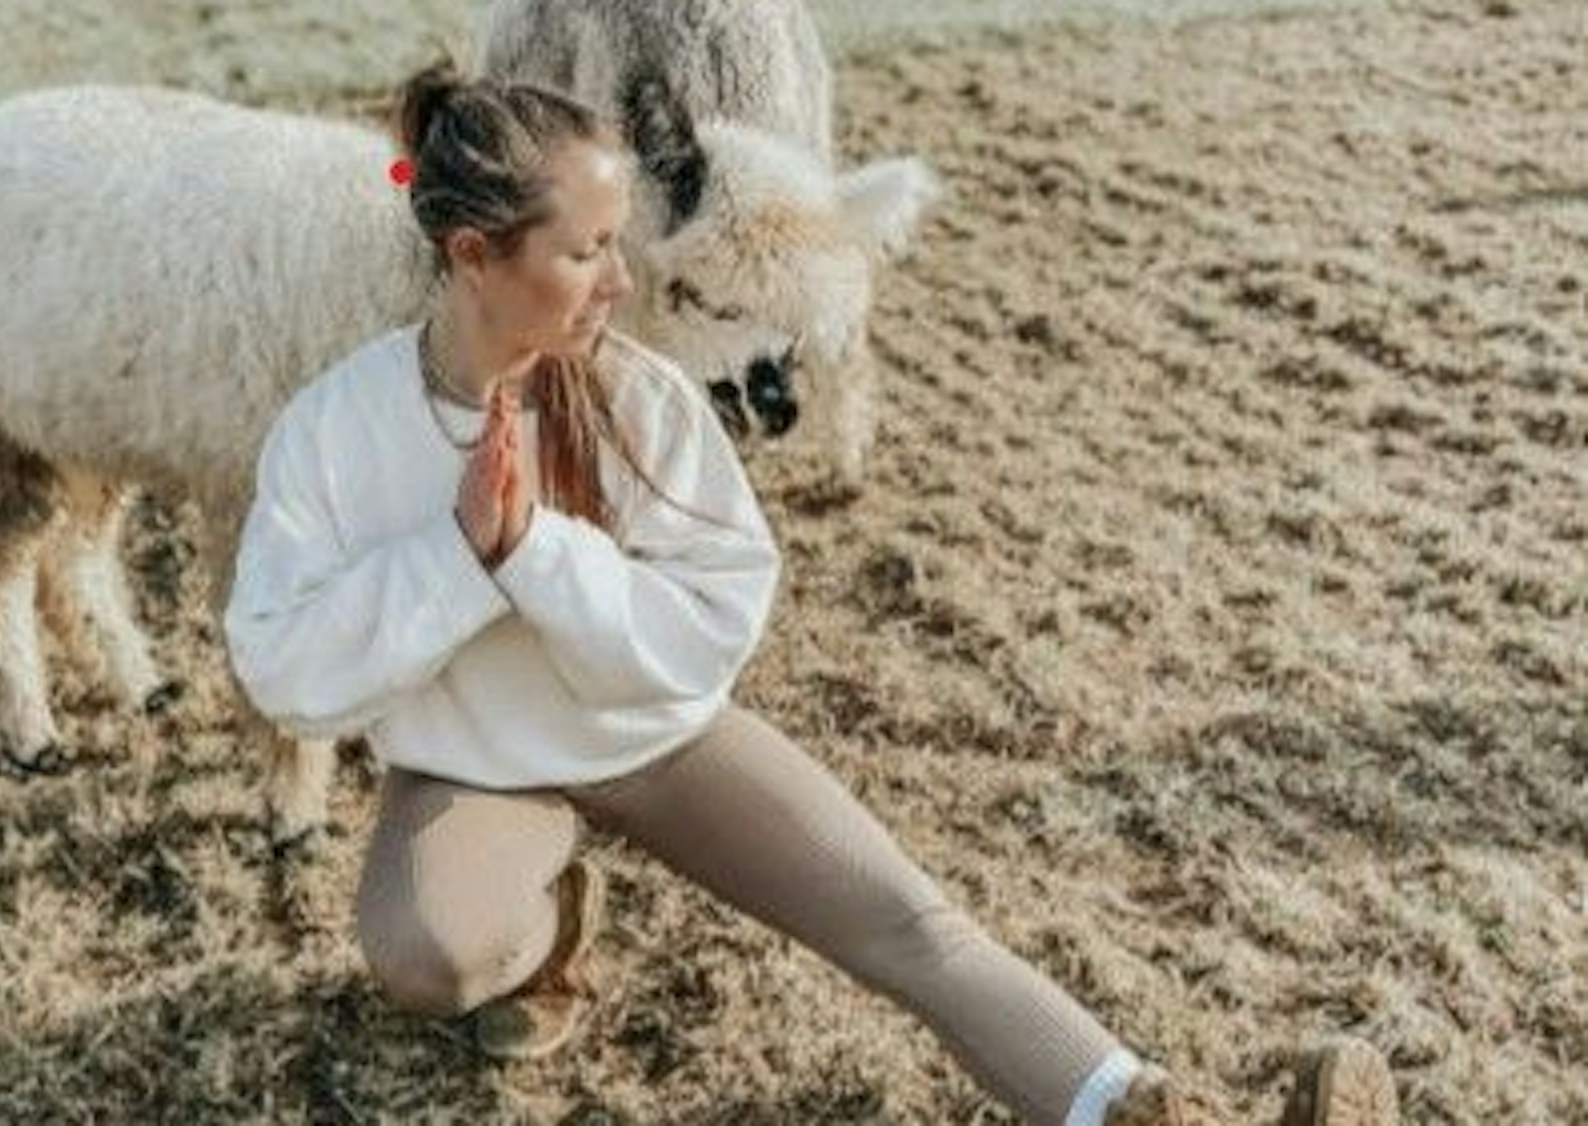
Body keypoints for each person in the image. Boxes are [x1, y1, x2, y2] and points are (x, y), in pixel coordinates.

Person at [221, 62, 1399, 1126]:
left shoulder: (644, 401)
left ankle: (1146, 1110)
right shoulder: (336, 428)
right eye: (585, 251)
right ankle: (548, 928)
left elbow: (704, 631)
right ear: (474, 253)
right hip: (478, 766)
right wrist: (454, 554)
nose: (621, 281)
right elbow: (281, 667)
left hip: (660, 738)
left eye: (618, 241)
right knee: (425, 957)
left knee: (908, 925)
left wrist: (532, 552)